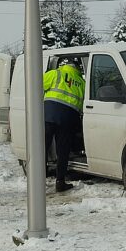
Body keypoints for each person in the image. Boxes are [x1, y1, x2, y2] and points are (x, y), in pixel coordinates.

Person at [43, 57, 85, 192]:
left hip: (49, 115)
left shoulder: (56, 73)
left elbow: (36, 86)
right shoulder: (81, 82)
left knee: (42, 147)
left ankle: (38, 179)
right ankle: (60, 182)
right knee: (63, 150)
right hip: (68, 118)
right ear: (77, 69)